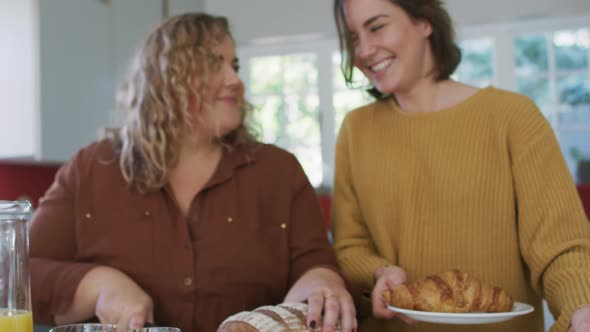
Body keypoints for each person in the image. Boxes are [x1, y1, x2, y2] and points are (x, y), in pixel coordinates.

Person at [29, 13, 357, 332]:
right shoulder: (91, 169)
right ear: (166, 78)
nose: (235, 80)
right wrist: (98, 285)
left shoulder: (279, 171)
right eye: (214, 64)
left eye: (235, 65)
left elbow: (315, 265)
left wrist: (321, 281)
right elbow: (19, 272)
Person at [330, 0, 590, 331]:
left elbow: (561, 247)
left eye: (377, 27)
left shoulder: (513, 117)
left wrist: (582, 307)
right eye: (353, 38)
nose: (364, 50)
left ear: (424, 21)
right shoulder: (356, 130)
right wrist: (379, 271)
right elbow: (350, 247)